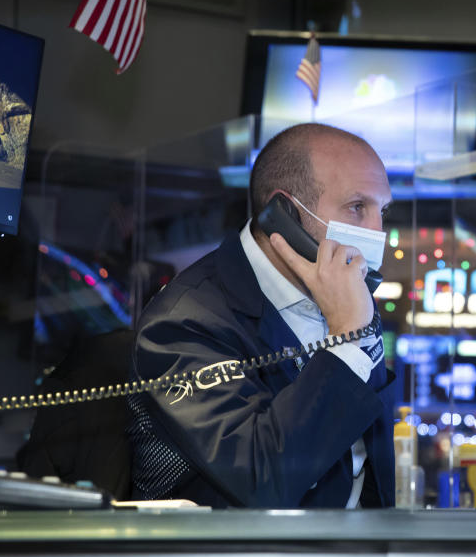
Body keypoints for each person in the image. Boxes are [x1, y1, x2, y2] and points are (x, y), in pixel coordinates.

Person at [126, 123, 396, 508]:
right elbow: (260, 478)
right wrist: (347, 339)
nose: (378, 231)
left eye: (382, 211)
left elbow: (371, 475)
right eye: (357, 208)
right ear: (284, 213)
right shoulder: (184, 323)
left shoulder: (345, 297)